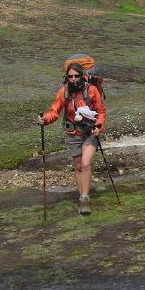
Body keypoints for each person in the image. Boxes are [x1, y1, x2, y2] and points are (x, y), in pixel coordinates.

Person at [37, 62, 106, 215]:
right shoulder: (64, 92)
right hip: (73, 134)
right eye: (70, 76)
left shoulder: (92, 90)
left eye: (76, 76)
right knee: (78, 166)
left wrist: (98, 127)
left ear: (82, 76)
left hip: (90, 133)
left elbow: (101, 112)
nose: (73, 79)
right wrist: (45, 120)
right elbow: (54, 111)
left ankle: (85, 198)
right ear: (66, 77)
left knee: (86, 163)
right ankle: (82, 195)